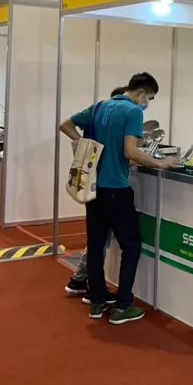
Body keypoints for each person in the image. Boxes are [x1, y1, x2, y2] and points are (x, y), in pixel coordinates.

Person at [58, 73, 176, 325]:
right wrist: (160, 163)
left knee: (96, 245)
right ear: (141, 92)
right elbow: (130, 151)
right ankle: (123, 305)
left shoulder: (100, 106)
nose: (147, 103)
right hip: (116, 189)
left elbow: (65, 125)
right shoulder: (132, 112)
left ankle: (97, 301)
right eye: (149, 98)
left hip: (93, 190)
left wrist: (83, 145)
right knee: (131, 246)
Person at [65, 85, 128, 299]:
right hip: (108, 187)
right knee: (101, 240)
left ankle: (80, 281)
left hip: (91, 184)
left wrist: (82, 143)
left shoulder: (96, 114)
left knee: (97, 238)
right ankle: (91, 287)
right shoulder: (118, 118)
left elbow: (65, 125)